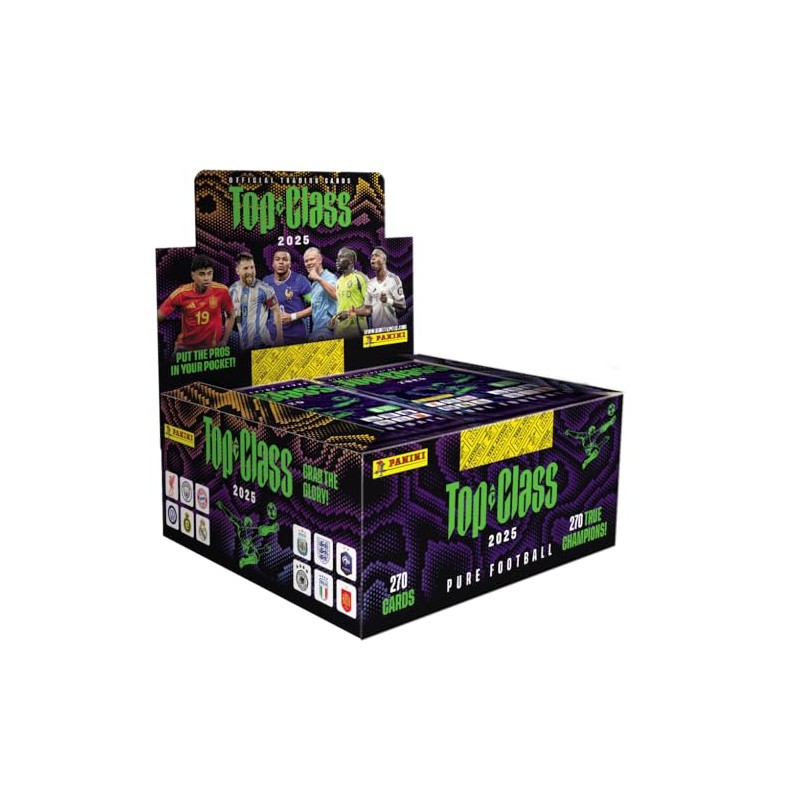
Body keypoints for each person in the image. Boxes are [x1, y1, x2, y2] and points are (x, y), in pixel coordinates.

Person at [157, 253, 235, 351]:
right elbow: (158, 316)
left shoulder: (222, 291)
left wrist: (224, 341)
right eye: (202, 274)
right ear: (193, 275)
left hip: (211, 349)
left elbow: (231, 314)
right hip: (185, 349)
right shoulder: (181, 294)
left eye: (209, 273)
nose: (206, 278)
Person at [229, 252, 283, 348]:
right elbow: (235, 317)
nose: (250, 271)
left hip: (263, 345)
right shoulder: (232, 290)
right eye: (246, 268)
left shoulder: (264, 288)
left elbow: (276, 309)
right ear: (237, 271)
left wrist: (279, 337)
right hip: (244, 347)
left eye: (252, 267)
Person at [264, 249, 313, 345]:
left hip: (296, 338)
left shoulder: (300, 281)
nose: (281, 262)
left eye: (285, 259)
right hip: (272, 338)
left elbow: (316, 307)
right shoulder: (266, 282)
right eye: (277, 259)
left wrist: (292, 317)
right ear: (273, 264)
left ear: (290, 264)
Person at [329, 247, 369, 339]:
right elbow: (342, 306)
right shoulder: (339, 281)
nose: (337, 260)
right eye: (337, 257)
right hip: (339, 332)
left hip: (356, 332)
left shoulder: (360, 278)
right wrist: (334, 319)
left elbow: (369, 307)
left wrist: (348, 313)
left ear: (351, 260)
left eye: (341, 257)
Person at [363, 247, 406, 328]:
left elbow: (403, 305)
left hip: (391, 330)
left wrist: (388, 300)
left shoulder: (393, 279)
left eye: (376, 255)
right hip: (376, 331)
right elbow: (367, 309)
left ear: (384, 260)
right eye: (372, 256)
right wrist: (351, 312)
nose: (373, 258)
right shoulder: (370, 283)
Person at [303, 247, 338, 341]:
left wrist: (318, 278)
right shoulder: (314, 284)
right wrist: (293, 316)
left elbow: (336, 295)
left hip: (328, 330)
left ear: (320, 260)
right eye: (306, 261)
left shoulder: (330, 277)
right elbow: (315, 307)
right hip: (316, 329)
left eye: (311, 259)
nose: (308, 263)